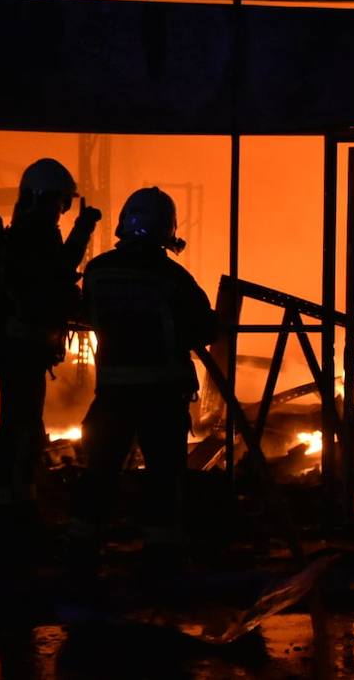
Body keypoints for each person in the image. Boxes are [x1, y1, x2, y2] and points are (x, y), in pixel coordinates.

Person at [69, 186, 215, 572]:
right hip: (161, 395)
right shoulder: (172, 276)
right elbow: (204, 326)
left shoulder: (98, 271)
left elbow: (87, 315)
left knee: (101, 469)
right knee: (164, 474)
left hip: (113, 392)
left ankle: (82, 547)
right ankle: (162, 554)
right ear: (166, 228)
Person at [0, 157, 100, 540]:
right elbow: (58, 274)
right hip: (23, 347)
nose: (61, 211)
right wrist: (84, 229)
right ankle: (10, 507)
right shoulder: (35, 235)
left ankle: (14, 501)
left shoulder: (23, 233)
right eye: (59, 202)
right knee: (20, 426)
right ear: (40, 198)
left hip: (20, 346)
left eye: (65, 204)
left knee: (23, 424)